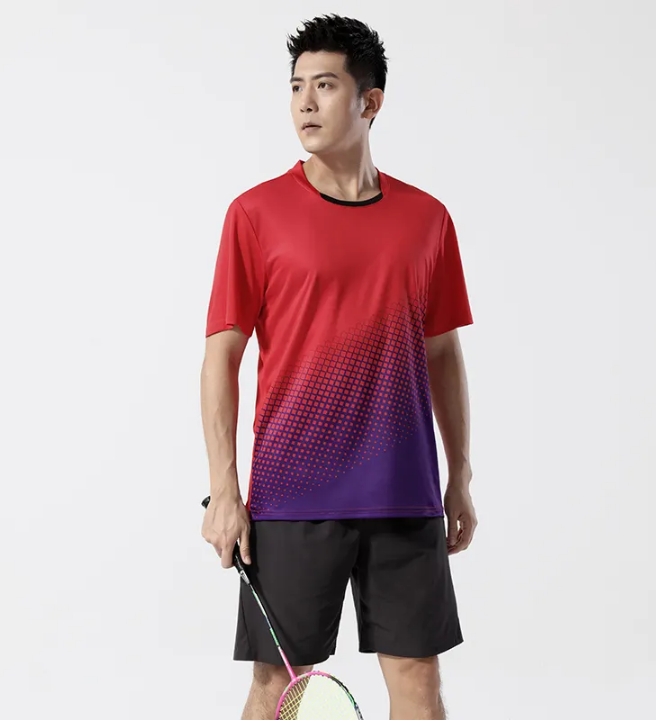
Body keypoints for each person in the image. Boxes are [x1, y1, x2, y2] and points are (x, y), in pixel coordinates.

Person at [200, 13, 477, 720]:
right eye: (296, 86)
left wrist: (460, 474)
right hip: (294, 493)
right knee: (277, 685)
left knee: (418, 680)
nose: (305, 102)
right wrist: (225, 488)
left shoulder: (428, 219)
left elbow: (443, 353)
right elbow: (222, 354)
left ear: (369, 101)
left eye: (325, 85)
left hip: (404, 491)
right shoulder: (255, 214)